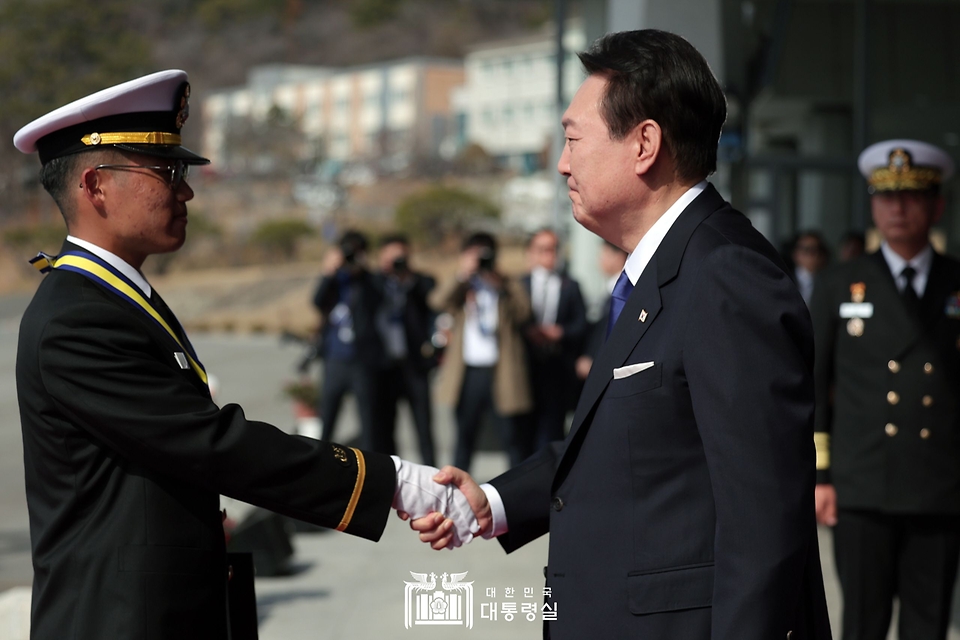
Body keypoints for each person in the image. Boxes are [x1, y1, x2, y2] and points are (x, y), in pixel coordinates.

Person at [12, 70, 478, 640]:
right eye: (166, 171)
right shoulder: (77, 318)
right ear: (95, 186)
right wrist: (392, 481)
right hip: (117, 618)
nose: (184, 191)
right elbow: (211, 444)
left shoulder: (111, 298)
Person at [412, 30, 831, 640]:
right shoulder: (658, 275)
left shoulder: (726, 276)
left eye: (573, 139)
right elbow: (627, 439)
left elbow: (763, 518)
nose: (562, 162)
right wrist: (496, 503)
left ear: (644, 144)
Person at [810, 139, 960, 640]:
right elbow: (814, 384)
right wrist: (821, 475)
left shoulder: (956, 283)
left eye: (912, 196)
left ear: (937, 206)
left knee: (927, 625)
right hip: (862, 484)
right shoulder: (840, 284)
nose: (898, 208)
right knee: (862, 626)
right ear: (873, 205)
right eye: (886, 197)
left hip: (938, 485)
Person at [434, 231, 533, 472]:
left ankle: (515, 497)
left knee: (511, 438)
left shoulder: (506, 284)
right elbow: (437, 301)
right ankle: (457, 496)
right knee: (464, 438)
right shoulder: (464, 285)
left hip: (501, 372)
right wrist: (462, 274)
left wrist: (501, 285)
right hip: (468, 373)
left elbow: (525, 314)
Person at [312, 230, 382, 448]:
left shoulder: (368, 281)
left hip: (361, 360)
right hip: (335, 359)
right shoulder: (336, 280)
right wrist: (328, 272)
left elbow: (377, 300)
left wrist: (363, 270)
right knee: (328, 419)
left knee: (368, 421)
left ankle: (370, 472)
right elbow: (317, 301)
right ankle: (319, 470)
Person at [372, 233, 437, 465]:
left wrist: (407, 279)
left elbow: (431, 301)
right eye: (391, 258)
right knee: (385, 428)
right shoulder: (374, 283)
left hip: (414, 365)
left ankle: (432, 479)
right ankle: (392, 480)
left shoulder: (419, 282)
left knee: (423, 427)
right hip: (385, 367)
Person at [520, 228, 587, 452]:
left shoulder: (570, 285)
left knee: (552, 430)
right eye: (542, 249)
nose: (548, 255)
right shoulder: (519, 285)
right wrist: (529, 332)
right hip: (524, 367)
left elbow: (581, 325)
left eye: (553, 249)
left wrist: (560, 332)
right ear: (531, 252)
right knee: (522, 432)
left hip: (557, 366)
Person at [575, 239, 628, 380]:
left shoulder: (622, 293)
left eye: (604, 254)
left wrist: (593, 358)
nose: (600, 259)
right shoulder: (609, 288)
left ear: (619, 256)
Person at [791, 231, 830, 305]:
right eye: (807, 249)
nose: (813, 254)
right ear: (795, 254)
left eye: (816, 249)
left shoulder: (830, 280)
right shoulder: (786, 280)